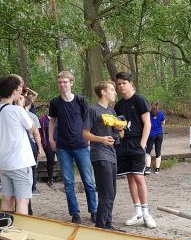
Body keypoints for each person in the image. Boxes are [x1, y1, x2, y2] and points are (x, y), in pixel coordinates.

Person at [48, 70, 97, 224]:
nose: (62, 85)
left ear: (71, 83)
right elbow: (52, 121)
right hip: (63, 147)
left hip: (81, 145)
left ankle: (94, 210)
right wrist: (50, 139)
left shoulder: (81, 100)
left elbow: (88, 120)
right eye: (60, 82)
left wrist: (90, 138)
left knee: (88, 181)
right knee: (68, 182)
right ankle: (75, 213)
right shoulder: (55, 102)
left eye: (65, 82)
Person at [0, 75, 39, 215]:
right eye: (19, 89)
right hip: (21, 163)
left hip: (4, 163)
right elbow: (32, 128)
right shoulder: (17, 110)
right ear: (15, 91)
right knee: (22, 200)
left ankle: (5, 229)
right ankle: (19, 232)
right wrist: (21, 108)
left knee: (7, 199)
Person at [114, 71, 156, 229]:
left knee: (139, 177)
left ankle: (146, 213)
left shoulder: (139, 100)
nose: (121, 86)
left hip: (137, 143)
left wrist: (142, 144)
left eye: (124, 83)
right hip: (123, 144)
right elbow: (121, 129)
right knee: (130, 177)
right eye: (118, 84)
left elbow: (147, 124)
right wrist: (118, 130)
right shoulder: (118, 106)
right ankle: (137, 212)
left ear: (131, 84)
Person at [83, 81, 124, 230]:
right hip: (99, 154)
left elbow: (121, 135)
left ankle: (108, 223)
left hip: (112, 154)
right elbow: (85, 133)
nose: (115, 92)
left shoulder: (112, 112)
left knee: (112, 192)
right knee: (106, 192)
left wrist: (119, 128)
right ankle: (101, 226)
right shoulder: (92, 110)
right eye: (112, 90)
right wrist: (101, 139)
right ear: (103, 92)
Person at [22, 96, 43, 195]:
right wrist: (39, 147)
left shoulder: (15, 114)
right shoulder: (32, 116)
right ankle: (33, 187)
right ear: (29, 104)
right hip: (31, 144)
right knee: (32, 166)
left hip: (20, 145)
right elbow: (36, 133)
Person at [145, 101, 165, 175]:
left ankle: (148, 168)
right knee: (158, 150)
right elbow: (163, 123)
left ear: (151, 105)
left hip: (151, 134)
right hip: (159, 134)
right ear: (158, 105)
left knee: (148, 151)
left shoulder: (148, 113)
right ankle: (157, 169)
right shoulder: (161, 113)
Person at [39, 103, 56, 188]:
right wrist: (43, 143)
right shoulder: (43, 119)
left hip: (60, 141)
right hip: (48, 142)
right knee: (50, 160)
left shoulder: (59, 118)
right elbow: (40, 132)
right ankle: (50, 179)